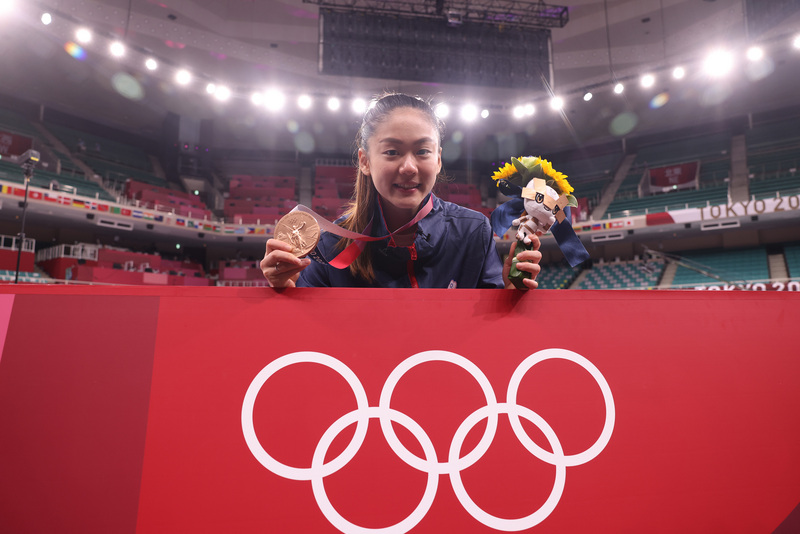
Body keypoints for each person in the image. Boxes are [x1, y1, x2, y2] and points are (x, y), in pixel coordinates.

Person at [260, 93, 541, 289]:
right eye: (392, 152)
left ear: (438, 159)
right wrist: (284, 290)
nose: (408, 167)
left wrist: (509, 292)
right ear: (365, 161)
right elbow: (309, 343)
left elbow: (492, 338)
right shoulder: (330, 247)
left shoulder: (473, 232)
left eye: (422, 151)